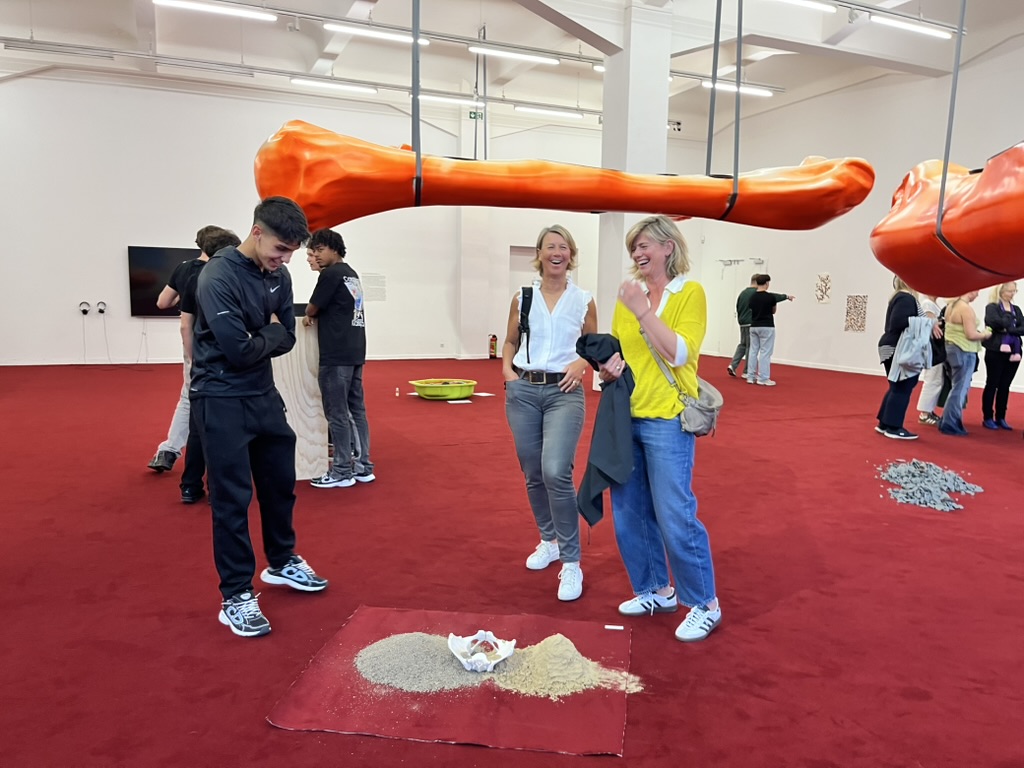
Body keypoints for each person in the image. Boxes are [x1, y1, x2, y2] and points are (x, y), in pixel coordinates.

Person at [191, 197, 327, 638]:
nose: (285, 259)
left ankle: (282, 561)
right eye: (280, 249)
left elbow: (287, 337)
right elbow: (238, 349)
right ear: (256, 233)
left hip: (263, 395)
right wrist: (268, 332)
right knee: (231, 499)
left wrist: (263, 334)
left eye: (292, 251)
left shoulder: (279, 276)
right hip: (220, 397)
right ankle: (235, 594)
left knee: (279, 485)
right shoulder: (217, 276)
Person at [598, 215, 721, 642]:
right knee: (629, 513)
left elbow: (679, 353)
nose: (637, 253)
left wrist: (643, 310)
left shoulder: (689, 293)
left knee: (674, 515)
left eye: (645, 244)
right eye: (634, 247)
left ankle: (704, 603)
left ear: (668, 247)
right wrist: (607, 367)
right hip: (626, 415)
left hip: (668, 418)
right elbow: (619, 351)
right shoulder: (627, 297)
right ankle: (655, 589)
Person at [502, 224, 596, 602]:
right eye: (550, 246)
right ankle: (549, 540)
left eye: (564, 247)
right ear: (539, 254)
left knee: (556, 470)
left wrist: (582, 363)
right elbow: (510, 340)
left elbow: (592, 345)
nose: (557, 252)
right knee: (533, 473)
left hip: (564, 393)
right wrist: (507, 373)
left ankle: (571, 562)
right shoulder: (522, 297)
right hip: (523, 390)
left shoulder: (583, 300)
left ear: (571, 255)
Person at [146, 224, 222, 473]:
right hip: (225, 340)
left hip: (194, 340)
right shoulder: (225, 269)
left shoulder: (184, 269)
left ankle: (169, 450)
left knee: (189, 397)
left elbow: (162, 302)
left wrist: (183, 297)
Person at [303, 228, 375, 488]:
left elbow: (312, 308)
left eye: (319, 250)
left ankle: (342, 470)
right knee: (356, 410)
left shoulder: (331, 274)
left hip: (335, 354)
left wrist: (310, 314)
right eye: (313, 252)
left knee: (337, 413)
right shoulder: (350, 274)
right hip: (354, 349)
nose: (316, 256)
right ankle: (363, 466)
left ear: (334, 249)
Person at [176, 227, 241, 503]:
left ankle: (191, 486)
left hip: (202, 362)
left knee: (198, 426)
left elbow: (185, 325)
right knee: (226, 429)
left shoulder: (195, 278)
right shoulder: (235, 278)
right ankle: (217, 486)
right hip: (229, 362)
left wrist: (193, 359)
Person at [876, 277, 925, 440]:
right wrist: (927, 324)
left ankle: (885, 423)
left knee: (896, 386)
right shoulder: (906, 298)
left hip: (891, 346)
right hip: (898, 347)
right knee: (903, 386)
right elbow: (898, 321)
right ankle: (894, 427)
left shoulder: (899, 297)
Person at [938, 289, 992, 436]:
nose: (978, 294)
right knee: (960, 389)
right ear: (970, 291)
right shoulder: (965, 308)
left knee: (955, 388)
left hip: (951, 349)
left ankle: (947, 421)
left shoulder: (951, 306)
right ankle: (950, 424)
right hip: (964, 350)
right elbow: (971, 334)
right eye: (977, 291)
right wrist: (985, 334)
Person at [727, 274, 788, 378]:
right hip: (752, 322)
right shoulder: (756, 293)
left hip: (742, 322)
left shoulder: (742, 293)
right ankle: (747, 371)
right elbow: (773, 297)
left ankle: (733, 365)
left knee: (743, 345)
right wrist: (786, 296)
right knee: (750, 347)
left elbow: (738, 307)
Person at [981, 282, 1024, 430]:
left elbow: (1022, 327)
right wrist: (1010, 326)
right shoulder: (992, 307)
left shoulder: (1016, 309)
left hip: (1014, 352)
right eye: (1009, 291)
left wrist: (1008, 329)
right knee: (992, 383)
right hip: (995, 351)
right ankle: (988, 416)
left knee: (1005, 385)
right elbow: (993, 323)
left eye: (1014, 291)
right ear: (1000, 291)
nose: (1012, 294)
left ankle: (1001, 417)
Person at [746, 274, 795, 386]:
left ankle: (750, 376)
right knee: (765, 352)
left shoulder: (752, 297)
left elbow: (751, 309)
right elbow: (773, 311)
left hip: (754, 326)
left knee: (753, 351)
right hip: (767, 326)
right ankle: (763, 378)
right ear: (767, 283)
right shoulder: (770, 297)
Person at [915, 294, 944, 427]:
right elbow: (930, 326)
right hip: (932, 348)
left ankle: (929, 410)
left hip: (936, 347)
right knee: (932, 379)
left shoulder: (933, 304)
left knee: (936, 379)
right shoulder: (927, 304)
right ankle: (924, 413)